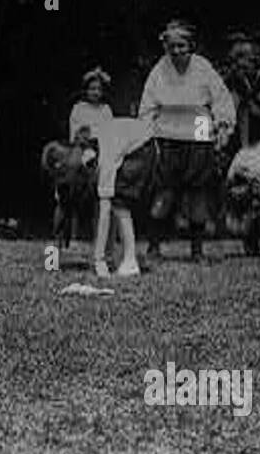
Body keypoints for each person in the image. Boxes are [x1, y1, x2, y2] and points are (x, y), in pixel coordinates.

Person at [138, 19, 235, 262]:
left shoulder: (203, 67)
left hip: (199, 126)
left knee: (198, 189)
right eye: (172, 47)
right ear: (166, 48)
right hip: (168, 129)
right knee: (165, 189)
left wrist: (223, 124)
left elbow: (221, 97)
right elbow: (148, 104)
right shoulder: (159, 70)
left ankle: (197, 249)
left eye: (182, 46)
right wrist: (145, 132)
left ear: (190, 45)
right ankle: (153, 246)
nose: (177, 51)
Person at [92, 114, 156, 278]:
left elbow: (105, 211)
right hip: (145, 145)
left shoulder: (106, 155)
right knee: (117, 202)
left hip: (143, 150)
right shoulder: (100, 134)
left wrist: (98, 260)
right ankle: (122, 257)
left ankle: (130, 262)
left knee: (119, 203)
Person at [69, 67, 114, 156]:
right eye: (92, 89)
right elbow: (75, 133)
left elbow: (110, 131)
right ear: (86, 90)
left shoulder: (106, 109)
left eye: (99, 89)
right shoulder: (79, 109)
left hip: (103, 150)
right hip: (82, 150)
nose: (96, 92)